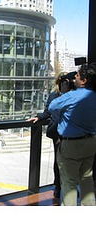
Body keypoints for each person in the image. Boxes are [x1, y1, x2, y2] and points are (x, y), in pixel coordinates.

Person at [48, 62, 96, 206]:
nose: (74, 77)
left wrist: (64, 92)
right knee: (87, 179)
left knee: (69, 183)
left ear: (84, 80)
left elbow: (52, 107)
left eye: (77, 75)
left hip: (71, 145)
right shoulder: (94, 96)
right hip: (91, 142)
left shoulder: (71, 96)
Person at [27, 71, 76, 198]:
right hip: (58, 134)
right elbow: (48, 111)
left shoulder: (74, 96)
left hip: (71, 133)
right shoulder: (54, 96)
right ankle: (58, 186)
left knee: (71, 163)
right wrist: (39, 117)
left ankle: (69, 188)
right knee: (58, 163)